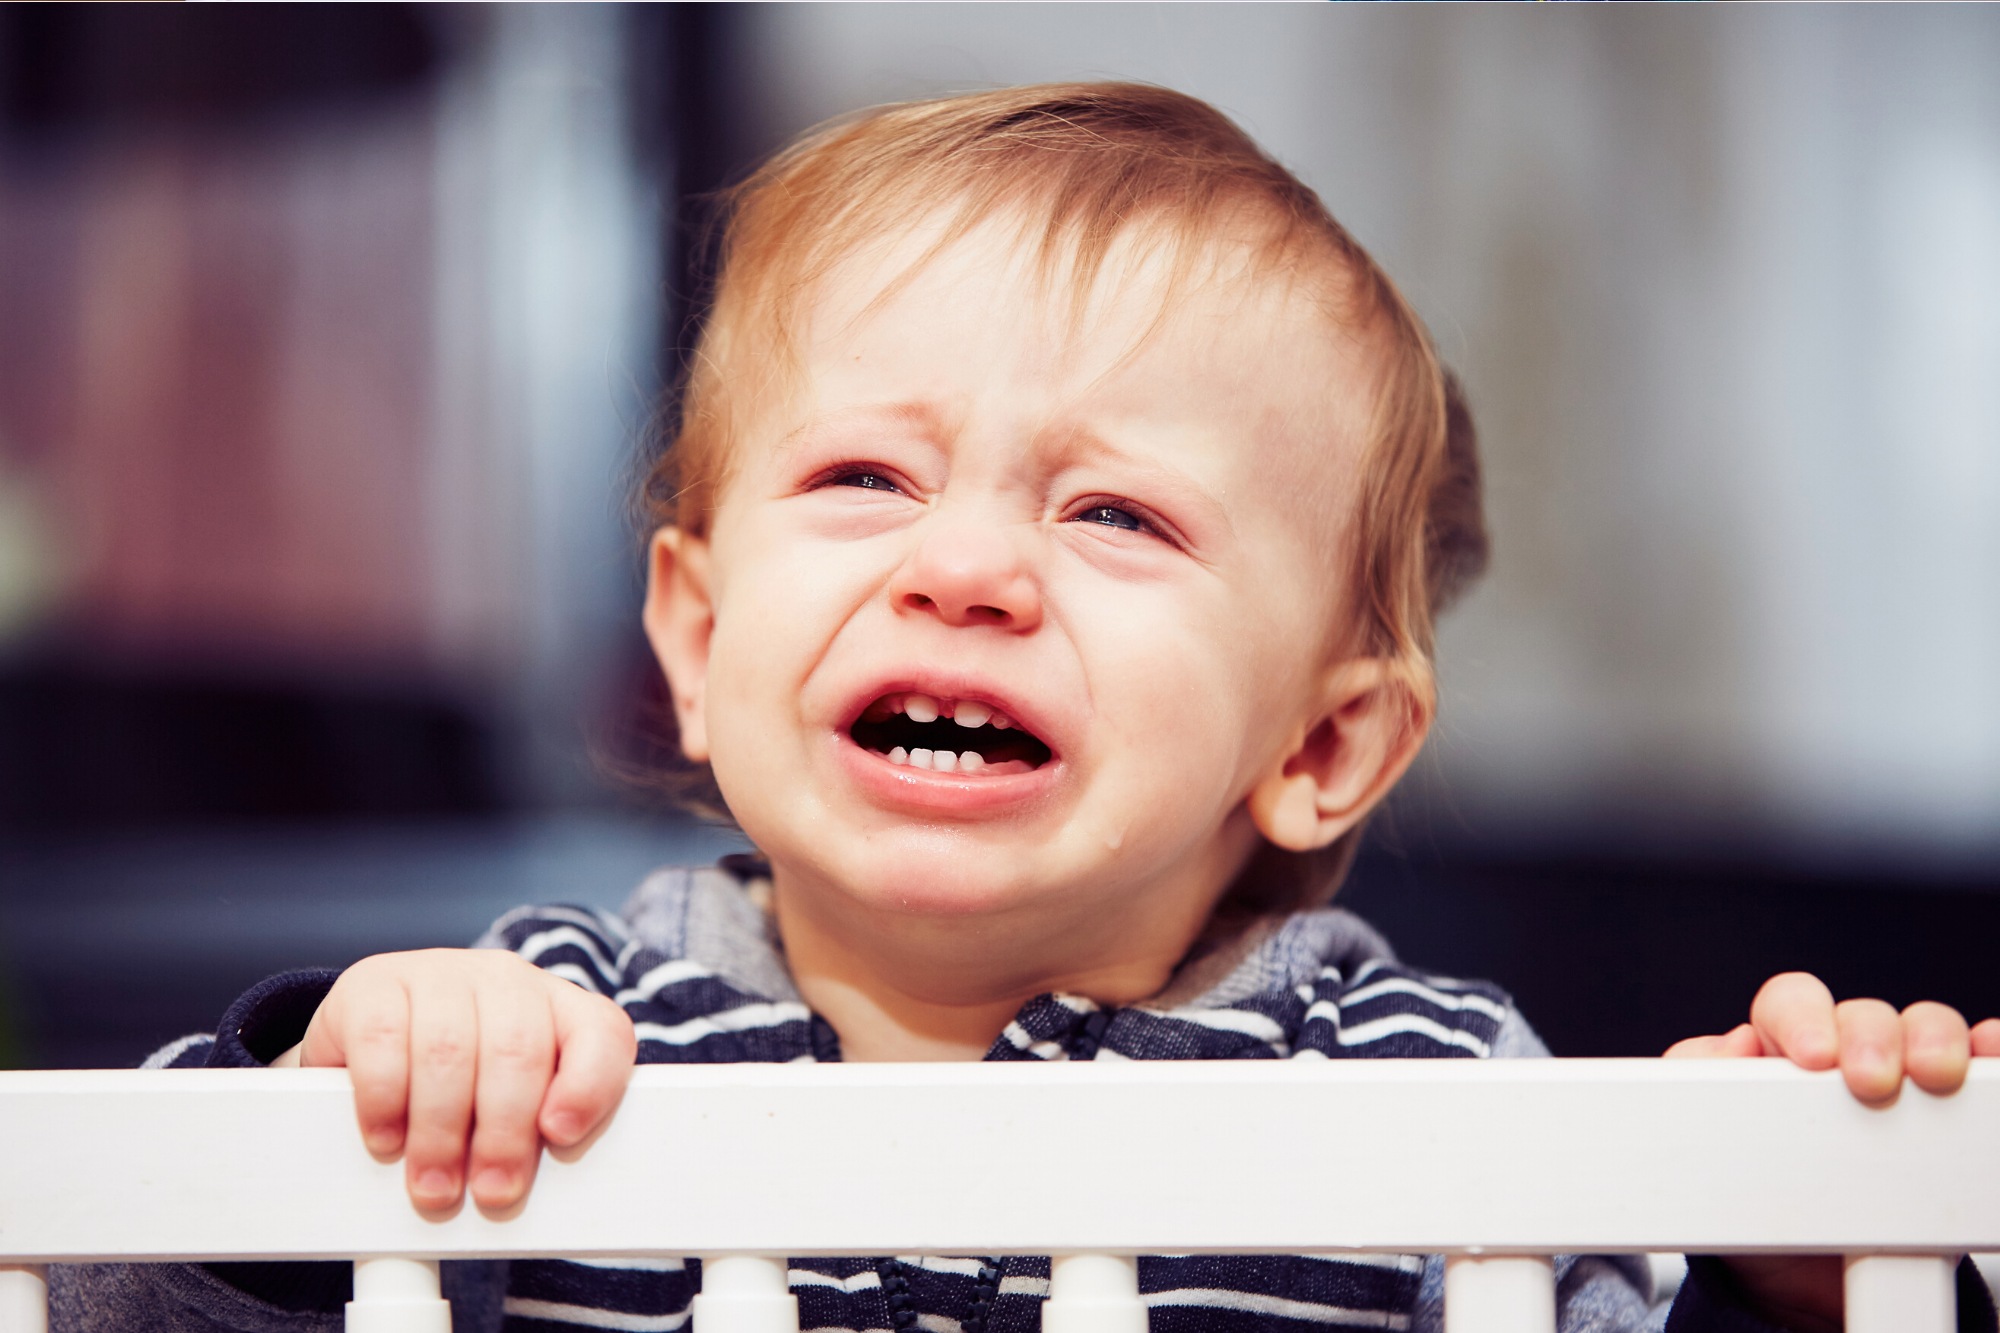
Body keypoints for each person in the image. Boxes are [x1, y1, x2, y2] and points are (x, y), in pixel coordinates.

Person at [52, 83, 2000, 1333]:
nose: (966, 567)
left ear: (1319, 748)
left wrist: (1815, 1247)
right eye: (864, 481)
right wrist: (328, 1094)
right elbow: (99, 1285)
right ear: (693, 635)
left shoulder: (1424, 1092)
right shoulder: (561, 1022)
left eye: (1113, 512)